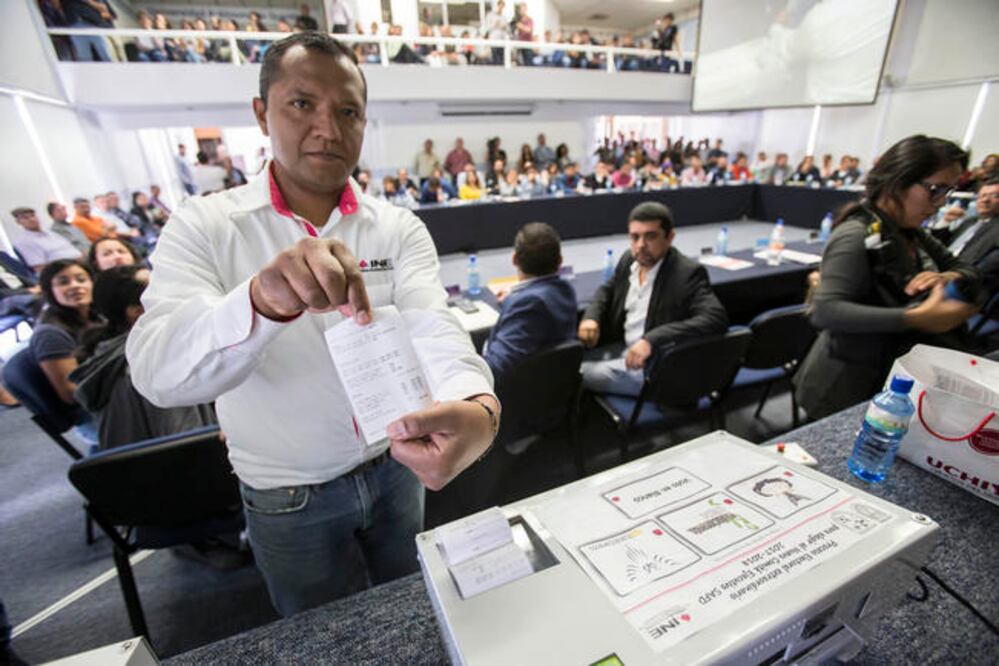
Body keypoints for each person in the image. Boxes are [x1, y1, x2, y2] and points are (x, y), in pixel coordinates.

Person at [126, 32, 498, 618]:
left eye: (348, 111)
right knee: (319, 636)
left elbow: (435, 328)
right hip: (287, 493)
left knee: (415, 610)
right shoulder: (207, 225)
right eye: (302, 104)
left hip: (397, 467)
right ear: (261, 113)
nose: (328, 128)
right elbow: (156, 371)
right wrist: (260, 302)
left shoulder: (396, 226)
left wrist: (480, 407)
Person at [794, 135, 983, 420]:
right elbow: (826, 311)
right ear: (899, 181)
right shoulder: (855, 235)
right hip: (845, 383)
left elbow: (968, 270)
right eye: (935, 189)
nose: (941, 203)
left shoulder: (911, 233)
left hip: (886, 376)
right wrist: (915, 317)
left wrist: (946, 276)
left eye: (948, 191)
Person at [578, 202, 728, 397]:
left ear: (670, 237)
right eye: (635, 237)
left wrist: (652, 340)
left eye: (650, 236)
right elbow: (607, 289)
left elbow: (716, 318)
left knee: (571, 373)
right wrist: (591, 317)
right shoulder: (630, 259)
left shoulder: (686, 273)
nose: (641, 244)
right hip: (624, 347)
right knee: (570, 358)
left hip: (654, 368)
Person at [72, 265, 217, 450]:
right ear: (136, 311)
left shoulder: (112, 349)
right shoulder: (152, 368)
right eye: (160, 287)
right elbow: (193, 444)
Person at [483, 223, 577, 380]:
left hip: (516, 393)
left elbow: (494, 367)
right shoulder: (565, 289)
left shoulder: (528, 305)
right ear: (560, 261)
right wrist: (514, 297)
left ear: (514, 259)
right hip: (553, 384)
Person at [22, 259, 102, 437]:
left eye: (81, 279)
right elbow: (71, 393)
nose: (75, 286)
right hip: (94, 413)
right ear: (49, 290)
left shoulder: (96, 315)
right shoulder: (49, 334)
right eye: (63, 282)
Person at [945, 177, 999, 296]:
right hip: (938, 269)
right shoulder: (968, 221)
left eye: (994, 196)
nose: (985, 200)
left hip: (960, 282)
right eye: (982, 195)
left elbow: (987, 267)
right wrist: (945, 223)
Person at [10, 207, 82, 272]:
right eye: (25, 218)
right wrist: (73, 263)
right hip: (64, 270)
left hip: (80, 264)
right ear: (18, 222)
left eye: (33, 216)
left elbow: (70, 248)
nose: (31, 219)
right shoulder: (24, 242)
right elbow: (40, 268)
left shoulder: (51, 233)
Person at [484, 0, 508, 65]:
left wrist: (505, 28)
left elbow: (506, 30)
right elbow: (487, 27)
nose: (501, 8)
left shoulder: (504, 17)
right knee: (494, 58)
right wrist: (495, 24)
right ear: (497, 6)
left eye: (503, 6)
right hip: (493, 40)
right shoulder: (490, 15)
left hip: (502, 41)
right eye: (500, 6)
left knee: (501, 59)